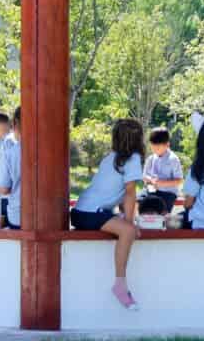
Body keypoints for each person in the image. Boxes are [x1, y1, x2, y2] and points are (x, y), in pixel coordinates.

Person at [71, 119, 147, 310]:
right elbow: (130, 193)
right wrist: (129, 224)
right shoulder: (133, 158)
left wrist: (126, 219)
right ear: (139, 140)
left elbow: (118, 194)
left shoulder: (110, 158)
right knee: (128, 232)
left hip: (80, 212)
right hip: (91, 213)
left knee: (127, 229)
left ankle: (120, 285)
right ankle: (120, 285)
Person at [143, 126, 184, 210]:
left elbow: (179, 180)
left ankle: (162, 222)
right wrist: (150, 180)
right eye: (152, 147)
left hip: (168, 193)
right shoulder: (151, 158)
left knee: (161, 209)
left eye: (157, 147)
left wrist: (162, 183)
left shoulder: (173, 159)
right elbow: (144, 176)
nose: (154, 150)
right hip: (152, 191)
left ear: (167, 145)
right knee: (138, 200)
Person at [0, 106, 22, 228]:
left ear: (15, 123)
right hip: (51, 217)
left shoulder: (11, 153)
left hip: (19, 216)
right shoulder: (54, 151)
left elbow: (4, 189)